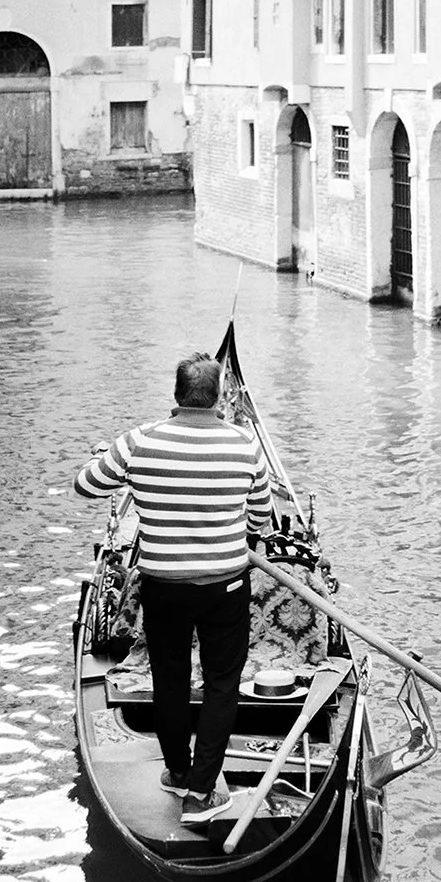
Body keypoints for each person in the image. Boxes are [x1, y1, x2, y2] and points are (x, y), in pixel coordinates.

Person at [74, 352, 276, 821]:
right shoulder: (245, 445)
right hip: (225, 586)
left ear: (176, 395)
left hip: (163, 587)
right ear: (220, 397)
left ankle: (179, 773)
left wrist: (109, 461)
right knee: (223, 685)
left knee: (169, 680)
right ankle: (202, 792)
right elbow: (261, 520)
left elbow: (85, 486)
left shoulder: (139, 441)